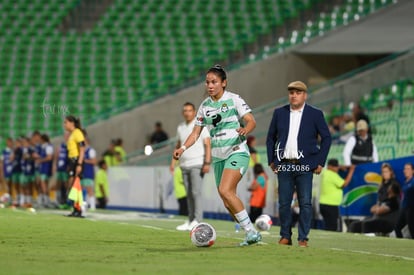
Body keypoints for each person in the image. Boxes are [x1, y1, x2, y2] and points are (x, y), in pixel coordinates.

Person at [173, 64, 262, 246]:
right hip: (218, 156)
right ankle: (249, 230)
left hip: (236, 151)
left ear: (224, 83)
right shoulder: (205, 106)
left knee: (225, 190)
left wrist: (245, 129)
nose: (210, 85)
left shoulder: (234, 99)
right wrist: (182, 148)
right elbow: (196, 133)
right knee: (227, 201)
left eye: (214, 82)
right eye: (207, 82)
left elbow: (251, 121)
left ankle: (252, 232)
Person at [266, 80, 332, 247]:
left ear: (305, 95)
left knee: (305, 203)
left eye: (297, 92)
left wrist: (320, 161)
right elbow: (270, 138)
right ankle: (285, 236)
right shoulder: (279, 113)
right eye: (291, 92)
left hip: (305, 166)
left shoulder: (315, 114)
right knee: (283, 203)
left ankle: (303, 238)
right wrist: (272, 159)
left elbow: (327, 138)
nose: (293, 95)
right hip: (285, 165)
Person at [170, 102, 211, 231]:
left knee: (196, 192)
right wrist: (173, 162)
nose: (187, 113)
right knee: (188, 193)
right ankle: (190, 220)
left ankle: (198, 221)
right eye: (185, 111)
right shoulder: (180, 127)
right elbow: (178, 144)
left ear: (194, 112)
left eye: (189, 110)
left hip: (197, 163)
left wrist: (207, 162)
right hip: (184, 164)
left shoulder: (199, 125)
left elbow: (207, 144)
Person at [319, 159, 355, 231]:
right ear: (330, 167)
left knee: (327, 226)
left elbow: (331, 167)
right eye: (335, 167)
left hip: (323, 204)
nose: (336, 169)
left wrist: (341, 167)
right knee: (332, 227)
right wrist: (351, 171)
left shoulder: (325, 172)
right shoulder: (332, 175)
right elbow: (344, 184)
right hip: (331, 205)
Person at [64, 115, 86, 217]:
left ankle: (79, 209)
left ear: (72, 123)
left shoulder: (77, 133)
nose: (64, 125)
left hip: (76, 160)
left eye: (66, 122)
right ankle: (75, 208)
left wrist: (79, 164)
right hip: (72, 161)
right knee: (73, 185)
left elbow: (82, 148)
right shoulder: (72, 134)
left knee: (76, 184)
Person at [395, 163, 414, 239]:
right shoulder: (405, 182)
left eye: (408, 169)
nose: (405, 170)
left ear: (413, 171)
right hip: (404, 209)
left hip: (411, 209)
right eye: (405, 169)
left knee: (412, 230)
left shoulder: (413, 182)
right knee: (397, 228)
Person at [36, 134, 54, 207]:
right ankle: (45, 200)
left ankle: (46, 200)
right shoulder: (43, 147)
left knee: (44, 184)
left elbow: (49, 157)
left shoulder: (48, 147)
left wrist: (40, 160)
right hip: (42, 168)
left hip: (46, 168)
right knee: (42, 184)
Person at [81, 137, 97, 211]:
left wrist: (85, 161)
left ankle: (93, 206)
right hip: (83, 173)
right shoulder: (82, 151)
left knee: (89, 189)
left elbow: (94, 161)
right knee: (82, 190)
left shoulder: (91, 150)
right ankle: (84, 205)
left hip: (88, 172)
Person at [1, 138, 14, 202]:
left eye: (10, 142)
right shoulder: (4, 151)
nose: (9, 143)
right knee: (7, 183)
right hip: (6, 169)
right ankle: (9, 197)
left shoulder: (14, 150)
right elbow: (2, 161)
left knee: (11, 183)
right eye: (8, 142)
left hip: (13, 169)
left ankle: (10, 197)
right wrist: (2, 170)